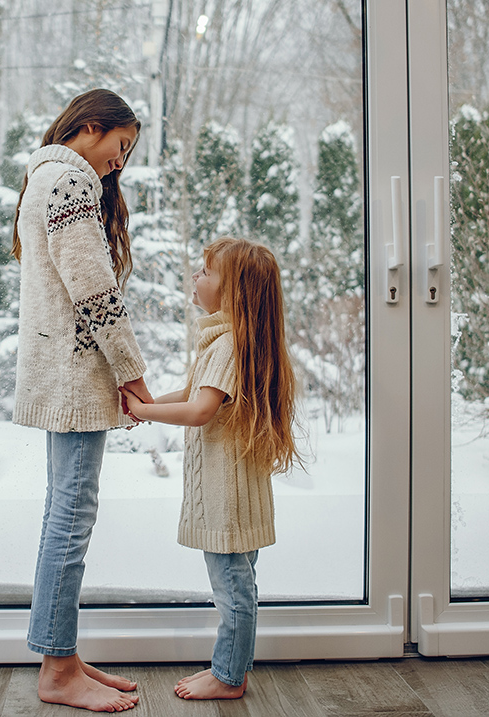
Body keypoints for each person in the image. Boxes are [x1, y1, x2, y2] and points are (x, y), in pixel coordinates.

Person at [11, 88, 153, 713]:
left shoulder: (45, 179)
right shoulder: (69, 185)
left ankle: (60, 653)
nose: (120, 163)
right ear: (91, 126)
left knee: (62, 513)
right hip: (74, 377)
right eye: (121, 146)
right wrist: (131, 373)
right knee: (71, 517)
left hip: (58, 374)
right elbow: (93, 291)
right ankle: (57, 669)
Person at [122, 236, 299, 701]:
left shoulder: (229, 346)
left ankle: (229, 675)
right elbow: (191, 392)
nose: (195, 278)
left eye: (205, 272)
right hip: (237, 492)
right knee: (238, 584)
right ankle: (228, 669)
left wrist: (144, 412)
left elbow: (200, 409)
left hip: (227, 496)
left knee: (233, 591)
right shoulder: (228, 341)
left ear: (233, 290)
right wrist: (142, 405)